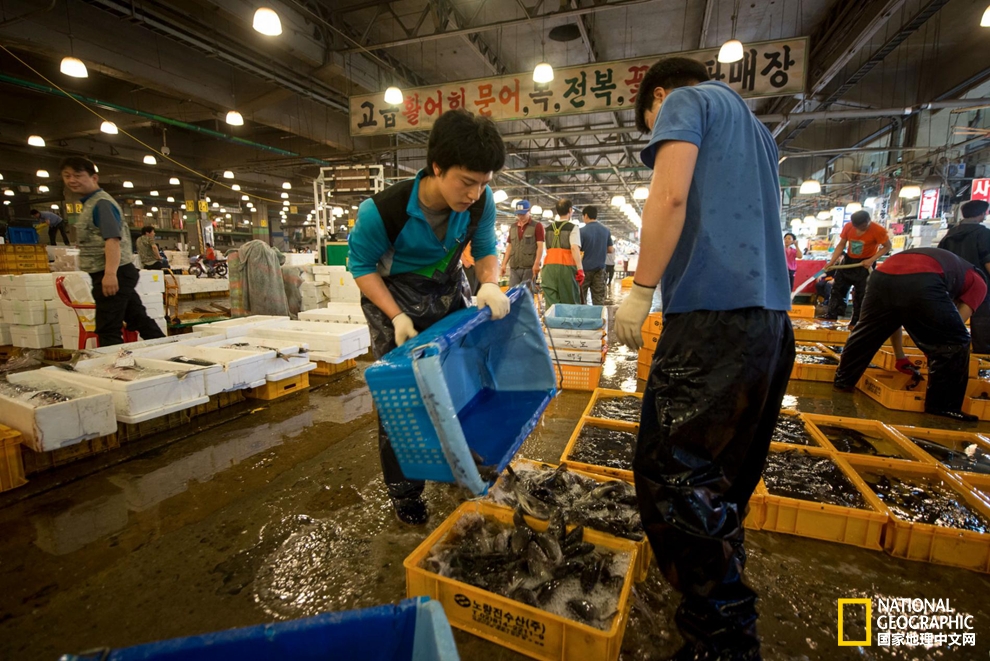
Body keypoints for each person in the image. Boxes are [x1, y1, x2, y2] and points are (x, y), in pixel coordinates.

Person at [614, 56, 794, 660]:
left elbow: (669, 200)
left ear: (658, 97)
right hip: (771, 323)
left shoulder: (687, 102)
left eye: (650, 125)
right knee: (721, 481)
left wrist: (641, 290)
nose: (656, 133)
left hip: (713, 321)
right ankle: (719, 609)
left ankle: (722, 642)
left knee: (674, 474)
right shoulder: (761, 134)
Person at [349, 109, 509, 525]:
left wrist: (489, 281)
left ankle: (460, 458)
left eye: (484, 183)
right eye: (466, 181)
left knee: (462, 377)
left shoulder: (480, 202)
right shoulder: (382, 212)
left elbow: (487, 245)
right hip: (394, 295)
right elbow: (362, 266)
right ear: (437, 167)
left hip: (446, 286)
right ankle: (406, 493)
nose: (475, 193)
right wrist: (397, 316)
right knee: (400, 397)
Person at [833, 247, 987, 422]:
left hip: (881, 275)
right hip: (923, 278)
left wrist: (900, 356)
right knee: (955, 342)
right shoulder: (979, 283)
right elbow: (953, 330)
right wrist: (934, 350)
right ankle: (942, 406)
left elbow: (893, 318)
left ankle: (843, 382)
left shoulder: (953, 268)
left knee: (866, 332)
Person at [59, 156, 165, 346]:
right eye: (67, 175)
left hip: (114, 273)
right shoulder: (91, 203)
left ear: (94, 178)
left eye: (78, 175)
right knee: (138, 319)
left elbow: (112, 240)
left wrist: (110, 274)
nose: (71, 180)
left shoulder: (101, 204)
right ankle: (171, 352)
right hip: (116, 272)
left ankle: (113, 371)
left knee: (108, 327)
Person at [821, 210, 891, 329]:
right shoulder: (848, 226)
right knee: (837, 288)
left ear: (868, 221)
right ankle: (832, 315)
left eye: (862, 226)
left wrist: (872, 260)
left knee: (861, 293)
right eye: (857, 226)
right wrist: (832, 261)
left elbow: (887, 247)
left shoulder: (878, 230)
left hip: (865, 263)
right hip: (849, 261)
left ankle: (856, 321)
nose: (859, 229)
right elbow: (842, 244)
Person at [937, 200, 990, 353]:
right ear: (981, 214)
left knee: (954, 317)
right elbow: (987, 260)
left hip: (954, 283)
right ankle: (982, 357)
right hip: (979, 283)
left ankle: (950, 350)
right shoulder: (984, 233)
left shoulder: (950, 233)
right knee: (981, 320)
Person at [541, 199, 583, 307]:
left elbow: (545, 249)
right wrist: (580, 268)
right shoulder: (573, 228)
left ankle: (552, 324)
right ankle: (568, 323)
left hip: (548, 268)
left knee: (551, 304)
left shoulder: (548, 229)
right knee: (569, 303)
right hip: (566, 269)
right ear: (570, 210)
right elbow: (574, 248)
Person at [500, 200, 545, 286]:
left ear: (529, 211)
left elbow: (540, 247)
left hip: (529, 267)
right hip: (514, 267)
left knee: (526, 294)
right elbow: (509, 247)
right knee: (513, 294)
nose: (520, 216)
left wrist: (536, 264)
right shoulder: (513, 227)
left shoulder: (537, 226)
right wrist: (504, 264)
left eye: (523, 214)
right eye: (518, 214)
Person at [578, 205, 613, 305]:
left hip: (584, 271)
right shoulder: (606, 230)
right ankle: (598, 320)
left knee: (581, 300)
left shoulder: (581, 231)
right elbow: (610, 249)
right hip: (600, 271)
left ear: (586, 215)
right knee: (598, 301)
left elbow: (578, 250)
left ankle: (582, 320)